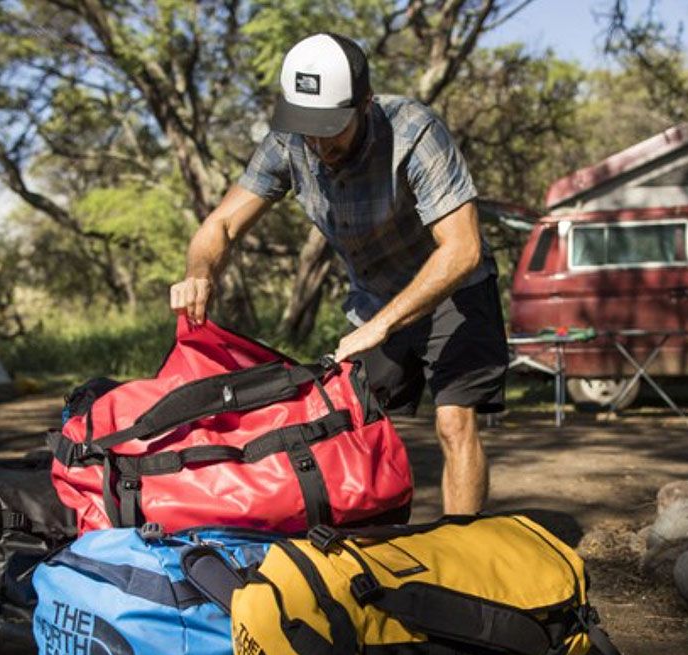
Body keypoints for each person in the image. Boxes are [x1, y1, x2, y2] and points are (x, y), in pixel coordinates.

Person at [170, 33, 508, 515]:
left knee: (454, 421)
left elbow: (462, 248)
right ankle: (379, 547)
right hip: (376, 299)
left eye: (331, 127)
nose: (319, 142)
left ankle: (462, 556)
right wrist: (199, 271)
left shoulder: (414, 130)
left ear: (364, 104)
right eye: (307, 126)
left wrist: (382, 325)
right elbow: (222, 223)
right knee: (352, 420)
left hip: (453, 289)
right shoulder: (288, 144)